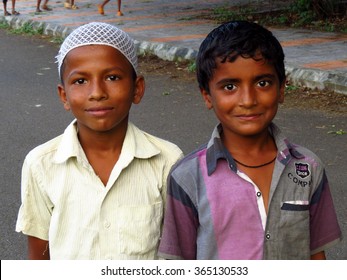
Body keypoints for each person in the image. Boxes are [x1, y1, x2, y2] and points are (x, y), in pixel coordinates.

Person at [158, 20, 342, 260]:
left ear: (282, 88)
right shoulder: (187, 177)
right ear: (207, 96)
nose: (248, 99)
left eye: (262, 83)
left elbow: (315, 254)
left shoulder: (308, 168)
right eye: (230, 86)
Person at [15, 22, 183, 260]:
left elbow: (177, 252)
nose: (97, 92)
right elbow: (39, 254)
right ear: (64, 95)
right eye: (81, 81)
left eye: (112, 77)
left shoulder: (167, 160)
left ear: (137, 89)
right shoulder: (40, 164)